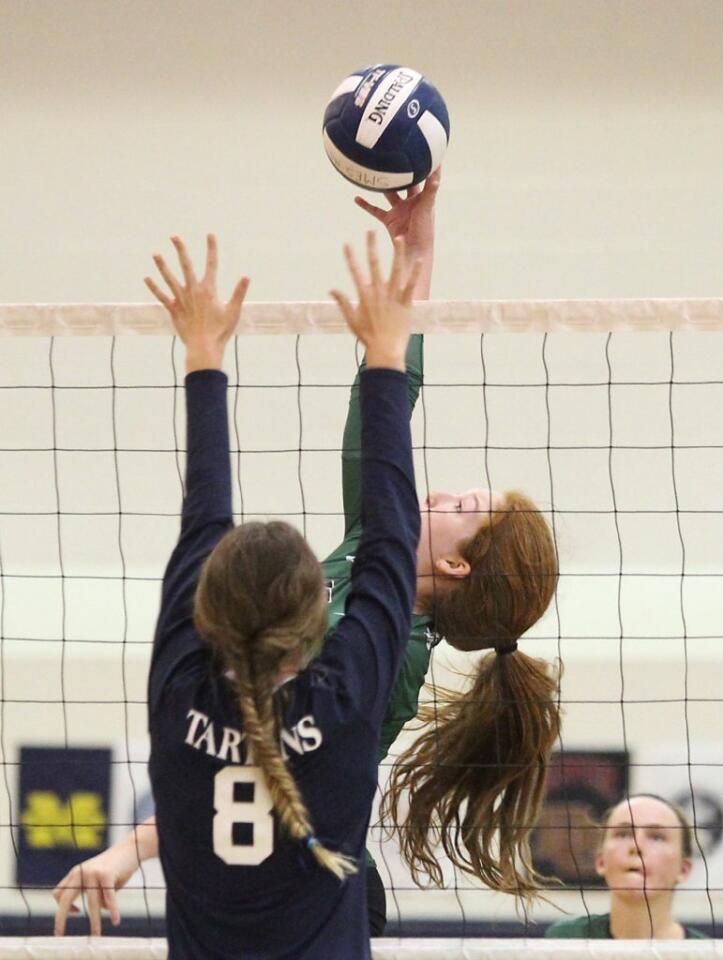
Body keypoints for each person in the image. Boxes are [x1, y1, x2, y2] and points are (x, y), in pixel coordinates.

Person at [54, 172, 562, 936]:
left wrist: (129, 848)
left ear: (456, 567)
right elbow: (385, 400)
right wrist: (413, 248)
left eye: (461, 509)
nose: (439, 493)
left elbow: (264, 757)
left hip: (304, 887)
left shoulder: (391, 654)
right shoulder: (373, 553)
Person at [54, 229, 421, 959]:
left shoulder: (186, 688)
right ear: (320, 618)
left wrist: (205, 358)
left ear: (205, 609)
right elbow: (386, 537)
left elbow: (386, 542)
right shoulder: (341, 700)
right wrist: (382, 355)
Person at [544, 793, 709, 939]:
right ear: (601, 861)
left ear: (683, 869)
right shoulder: (567, 939)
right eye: (623, 834)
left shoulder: (707, 954)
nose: (637, 846)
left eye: (656, 837)